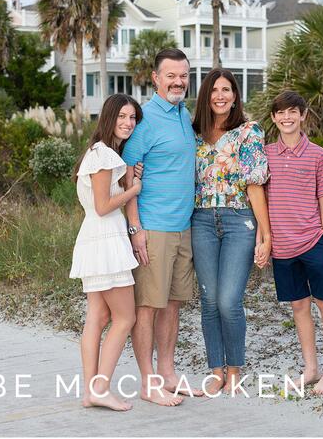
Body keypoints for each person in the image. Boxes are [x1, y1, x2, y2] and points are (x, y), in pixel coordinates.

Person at [122, 48, 203, 406]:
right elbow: (127, 177)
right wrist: (135, 228)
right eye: (170, 75)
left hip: (183, 226)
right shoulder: (146, 120)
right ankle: (147, 380)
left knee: (172, 304)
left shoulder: (184, 115)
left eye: (183, 75)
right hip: (153, 228)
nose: (178, 81)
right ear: (155, 78)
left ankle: (168, 374)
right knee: (147, 307)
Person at [190, 69, 271, 396]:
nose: (220, 95)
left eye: (227, 90)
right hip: (201, 221)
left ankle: (235, 367)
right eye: (214, 90)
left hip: (239, 221)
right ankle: (216, 370)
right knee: (209, 299)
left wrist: (266, 235)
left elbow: (255, 185)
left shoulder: (249, 132)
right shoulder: (193, 133)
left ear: (235, 96)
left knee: (228, 300)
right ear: (206, 95)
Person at [70, 93, 145, 411]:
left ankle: (91, 390)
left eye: (133, 118)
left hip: (95, 240)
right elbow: (103, 207)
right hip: (106, 241)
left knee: (98, 317)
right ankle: (100, 387)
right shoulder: (105, 156)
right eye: (123, 117)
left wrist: (126, 179)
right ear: (109, 118)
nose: (128, 123)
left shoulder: (98, 153)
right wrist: (133, 189)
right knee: (125, 317)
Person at [265, 90, 323, 395]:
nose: (287, 117)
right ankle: (311, 368)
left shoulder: (317, 154)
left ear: (303, 115)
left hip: (313, 241)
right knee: (299, 306)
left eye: (292, 112)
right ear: (274, 118)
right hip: (283, 248)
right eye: (281, 113)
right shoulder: (267, 154)